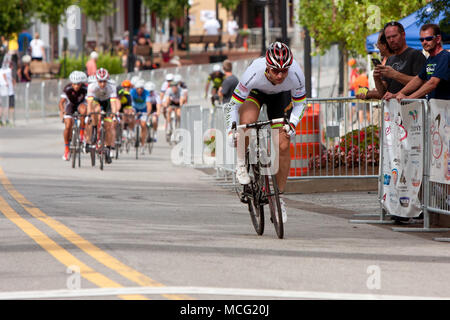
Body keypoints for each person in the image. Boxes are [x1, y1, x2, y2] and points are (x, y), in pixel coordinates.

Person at [224, 42, 307, 223]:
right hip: (256, 92)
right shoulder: (253, 73)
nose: (280, 75)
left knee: (284, 143)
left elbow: (300, 104)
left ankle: (279, 198)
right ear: (267, 67)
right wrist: (231, 131)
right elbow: (233, 105)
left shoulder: (295, 74)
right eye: (275, 70)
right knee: (247, 122)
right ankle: (241, 163)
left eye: (284, 71)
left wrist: (292, 124)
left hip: (281, 96)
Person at [389, 24, 450, 101]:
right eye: (422, 39)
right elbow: (418, 79)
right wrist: (397, 94)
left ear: (438, 39)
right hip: (437, 108)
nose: (424, 42)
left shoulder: (445, 56)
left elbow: (432, 83)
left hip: (446, 109)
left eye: (428, 38)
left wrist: (409, 98)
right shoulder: (430, 59)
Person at [373, 21, 426, 99]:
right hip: (394, 109)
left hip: (413, 107)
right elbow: (383, 93)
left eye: (394, 36)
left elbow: (422, 83)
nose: (391, 40)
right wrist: (377, 79)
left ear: (403, 35)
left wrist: (395, 75)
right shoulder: (390, 59)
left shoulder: (416, 54)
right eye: (388, 38)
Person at [86, 68, 119, 164]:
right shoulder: (92, 86)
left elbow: (113, 104)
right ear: (97, 80)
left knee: (109, 127)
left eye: (104, 81)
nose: (102, 84)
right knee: (95, 111)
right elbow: (89, 103)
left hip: (107, 102)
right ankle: (95, 129)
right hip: (96, 101)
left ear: (107, 80)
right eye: (100, 81)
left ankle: (108, 150)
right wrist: (89, 115)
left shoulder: (111, 86)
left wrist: (114, 115)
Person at [356, 29, 394, 100]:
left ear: (384, 45)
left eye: (378, 44)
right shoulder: (389, 61)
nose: (378, 47)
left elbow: (387, 93)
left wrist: (369, 93)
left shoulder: (397, 61)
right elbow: (383, 92)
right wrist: (376, 79)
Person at [58, 71, 88, 161]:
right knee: (68, 125)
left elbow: (89, 101)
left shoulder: (85, 88)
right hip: (70, 106)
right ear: (71, 83)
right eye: (74, 84)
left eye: (78, 84)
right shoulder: (67, 88)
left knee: (84, 110)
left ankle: (82, 136)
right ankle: (67, 149)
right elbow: (61, 102)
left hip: (80, 105)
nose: (76, 86)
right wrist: (62, 111)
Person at [130, 79, 152, 153]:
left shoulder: (146, 93)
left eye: (141, 88)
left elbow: (148, 104)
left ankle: (142, 145)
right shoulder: (132, 92)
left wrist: (148, 112)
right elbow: (130, 102)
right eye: (138, 88)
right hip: (135, 108)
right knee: (132, 118)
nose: (140, 90)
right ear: (135, 88)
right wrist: (131, 111)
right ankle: (132, 133)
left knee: (143, 125)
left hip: (143, 110)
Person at [0, 59, 16, 126]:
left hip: (7, 91)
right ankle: (7, 119)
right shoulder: (7, 71)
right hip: (6, 91)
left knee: (4, 106)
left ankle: (5, 120)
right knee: (6, 106)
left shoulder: (2, 70)